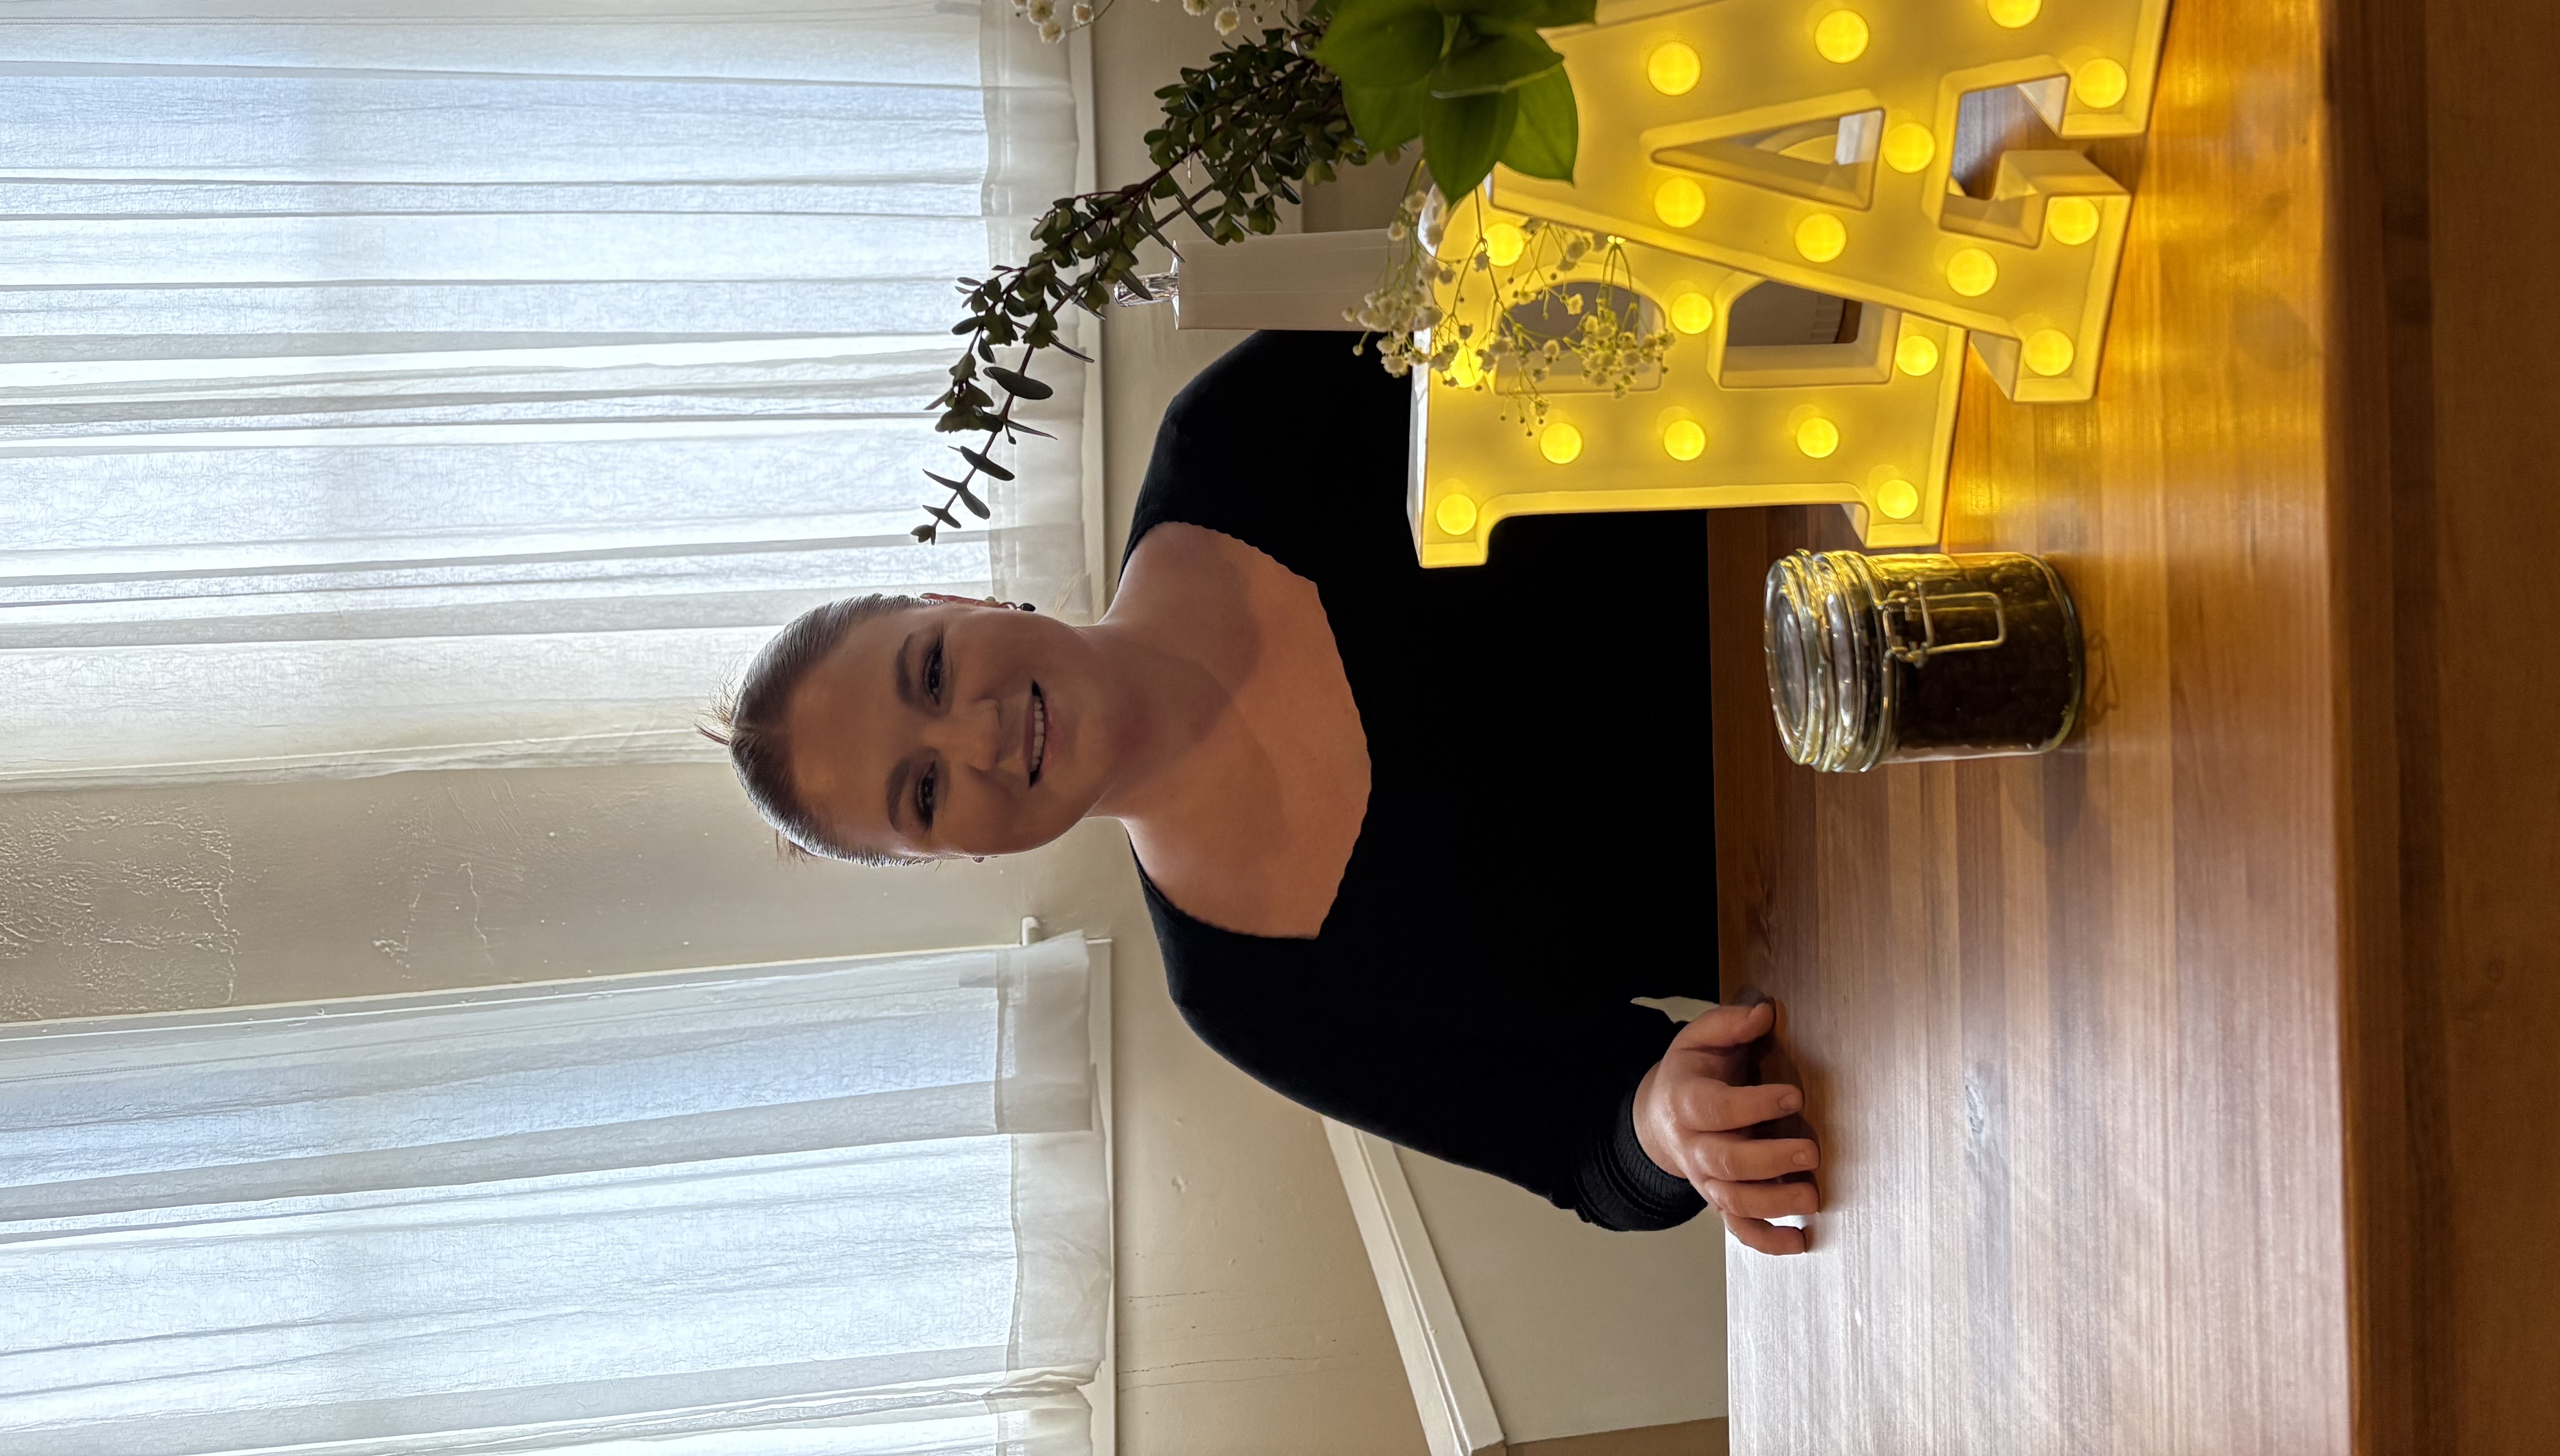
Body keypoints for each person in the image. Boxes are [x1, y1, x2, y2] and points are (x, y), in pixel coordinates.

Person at [713, 328, 1822, 1252]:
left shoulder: (1245, 429)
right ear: (958, 858)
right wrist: (1666, 1123)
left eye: (932, 673)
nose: (979, 735)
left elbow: (1609, 351)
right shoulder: (1247, 994)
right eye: (923, 793)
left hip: (1859, 541)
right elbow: (1585, 1149)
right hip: (1854, 901)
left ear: (962, 601)